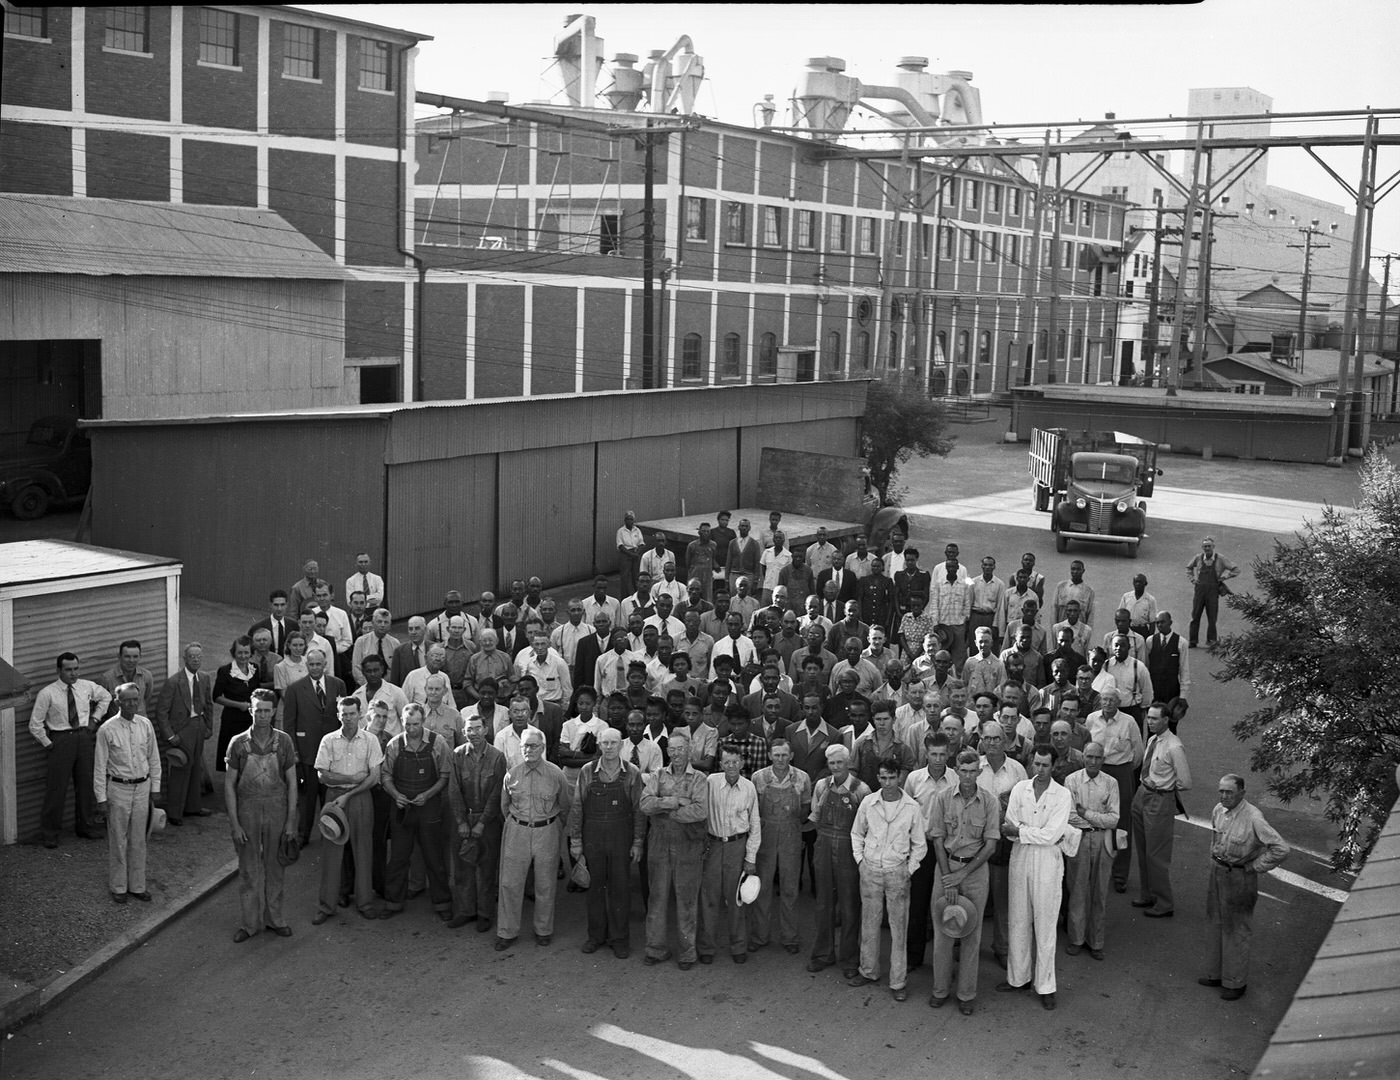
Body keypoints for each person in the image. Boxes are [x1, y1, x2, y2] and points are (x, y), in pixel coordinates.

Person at [1200, 775, 1290, 1001]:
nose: (1223, 796)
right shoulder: (1218, 810)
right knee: (1215, 922)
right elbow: (1215, 837)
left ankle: (1235, 983)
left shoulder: (1254, 818)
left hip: (1240, 876)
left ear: (1242, 793)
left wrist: (1255, 867)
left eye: (1229, 792)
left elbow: (1281, 848)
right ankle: (1215, 974)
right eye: (1221, 791)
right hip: (1218, 871)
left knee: (1237, 929)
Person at [997, 746, 1074, 1010]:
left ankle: (1046, 985)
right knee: (1018, 918)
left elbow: (1052, 835)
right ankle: (1017, 978)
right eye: (1036, 764)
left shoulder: (1063, 795)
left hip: (1048, 863)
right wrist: (1026, 832)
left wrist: (1022, 831)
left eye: (1045, 765)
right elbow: (1007, 827)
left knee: (1045, 923)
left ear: (1054, 766)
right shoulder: (1020, 789)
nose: (1039, 770)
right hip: (1020, 858)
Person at [927, 747, 1000, 1014]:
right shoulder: (943, 797)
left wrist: (962, 875)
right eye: (963, 771)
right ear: (955, 770)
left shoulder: (990, 801)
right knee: (944, 931)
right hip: (946, 867)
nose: (967, 777)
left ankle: (966, 995)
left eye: (972, 771)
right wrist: (949, 877)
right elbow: (937, 839)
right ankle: (940, 990)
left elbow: (990, 845)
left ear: (979, 772)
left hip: (975, 873)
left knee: (971, 934)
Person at [847, 757, 926, 1002]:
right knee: (869, 923)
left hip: (897, 872)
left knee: (898, 928)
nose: (888, 782)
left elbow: (920, 845)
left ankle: (898, 981)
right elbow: (857, 833)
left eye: (892, 777)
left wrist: (908, 869)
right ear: (878, 778)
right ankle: (868, 971)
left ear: (899, 778)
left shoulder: (911, 807)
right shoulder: (869, 803)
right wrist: (860, 861)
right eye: (883, 777)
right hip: (870, 870)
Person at [224, 688, 297, 939]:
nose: (262, 715)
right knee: (248, 869)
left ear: (274, 711)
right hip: (248, 812)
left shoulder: (284, 741)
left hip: (276, 811)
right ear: (251, 710)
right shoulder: (238, 743)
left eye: (267, 710)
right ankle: (249, 924)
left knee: (275, 868)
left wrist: (290, 821)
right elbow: (229, 787)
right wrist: (235, 824)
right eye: (258, 710)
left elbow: (292, 784)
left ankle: (275, 919)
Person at [568, 727, 646, 958]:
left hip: (621, 838)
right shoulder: (587, 771)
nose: (609, 747)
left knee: (620, 889)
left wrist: (638, 842)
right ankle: (596, 936)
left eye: (614, 743)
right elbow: (577, 807)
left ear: (621, 745)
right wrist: (575, 840)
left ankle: (619, 939)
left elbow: (638, 810)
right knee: (594, 888)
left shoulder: (632, 773)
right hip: (592, 838)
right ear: (599, 745)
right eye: (605, 743)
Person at [639, 726, 711, 968]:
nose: (677, 753)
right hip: (659, 840)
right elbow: (645, 804)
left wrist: (670, 812)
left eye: (681, 749)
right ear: (667, 750)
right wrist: (674, 801)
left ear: (689, 750)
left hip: (688, 842)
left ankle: (687, 952)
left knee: (687, 899)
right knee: (657, 897)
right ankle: (655, 949)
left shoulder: (699, 778)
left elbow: (701, 811)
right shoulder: (657, 775)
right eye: (673, 749)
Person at [495, 728, 572, 950]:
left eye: (534, 746)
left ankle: (543, 929)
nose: (529, 750)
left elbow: (565, 806)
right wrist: (516, 825)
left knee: (545, 883)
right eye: (525, 746)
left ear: (543, 748)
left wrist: (554, 828)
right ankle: (507, 931)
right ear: (520, 749)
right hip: (517, 830)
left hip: (546, 830)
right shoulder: (512, 774)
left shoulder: (556, 774)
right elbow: (504, 806)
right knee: (510, 883)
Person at [30, 651, 113, 848]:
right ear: (59, 670)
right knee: (56, 788)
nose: (73, 673)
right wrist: (48, 744)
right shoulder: (47, 693)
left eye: (76, 669)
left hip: (84, 738)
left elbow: (106, 697)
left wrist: (94, 719)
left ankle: (85, 826)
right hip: (61, 740)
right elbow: (35, 724)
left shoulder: (86, 687)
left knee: (86, 784)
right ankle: (50, 832)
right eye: (68, 670)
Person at [379, 703, 454, 921]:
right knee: (399, 857)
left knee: (434, 856)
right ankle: (393, 902)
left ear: (423, 721)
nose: (412, 728)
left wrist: (428, 794)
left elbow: (445, 775)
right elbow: (385, 776)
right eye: (407, 724)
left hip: (428, 807)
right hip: (402, 808)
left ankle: (443, 903)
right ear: (402, 722)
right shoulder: (394, 745)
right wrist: (395, 795)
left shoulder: (437, 742)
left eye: (416, 724)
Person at [312, 697, 383, 923]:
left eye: (352, 713)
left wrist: (350, 793)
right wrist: (349, 778)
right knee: (332, 852)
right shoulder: (328, 740)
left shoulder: (370, 740)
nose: (348, 717)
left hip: (361, 797)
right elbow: (322, 774)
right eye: (344, 714)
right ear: (338, 715)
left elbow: (374, 776)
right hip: (333, 799)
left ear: (360, 714)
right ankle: (326, 906)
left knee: (363, 850)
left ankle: (365, 903)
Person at [94, 682, 161, 903]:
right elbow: (100, 767)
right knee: (118, 838)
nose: (133, 704)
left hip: (142, 788)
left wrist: (155, 788)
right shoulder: (107, 729)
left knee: (138, 839)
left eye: (136, 699)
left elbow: (154, 758)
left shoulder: (146, 724)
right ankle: (119, 887)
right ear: (117, 702)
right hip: (118, 789)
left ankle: (138, 885)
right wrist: (101, 798)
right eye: (128, 700)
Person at [807, 744, 870, 977]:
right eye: (832, 763)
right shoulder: (822, 786)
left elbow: (866, 826)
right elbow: (815, 816)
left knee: (849, 905)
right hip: (823, 844)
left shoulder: (861, 789)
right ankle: (823, 953)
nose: (835, 767)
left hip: (848, 848)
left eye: (840, 763)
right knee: (824, 903)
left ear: (848, 763)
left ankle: (850, 959)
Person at [748, 738, 813, 955]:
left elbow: (806, 807)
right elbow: (753, 811)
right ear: (769, 755)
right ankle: (760, 935)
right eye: (776, 755)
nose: (780, 759)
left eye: (784, 755)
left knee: (790, 887)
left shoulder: (802, 778)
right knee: (762, 886)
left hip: (791, 834)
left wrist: (795, 818)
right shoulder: (758, 778)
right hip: (765, 833)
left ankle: (789, 936)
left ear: (791, 755)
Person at [699, 746, 762, 964]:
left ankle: (738, 946)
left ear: (742, 763)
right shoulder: (710, 783)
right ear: (721, 764)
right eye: (727, 762)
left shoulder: (749, 788)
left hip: (738, 845)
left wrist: (750, 857)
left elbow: (755, 824)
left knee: (736, 898)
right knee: (709, 898)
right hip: (714, 845)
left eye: (735, 762)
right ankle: (706, 947)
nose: (731, 766)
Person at [446, 715, 507, 932]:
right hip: (462, 819)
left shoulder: (498, 757)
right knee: (462, 866)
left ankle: (484, 913)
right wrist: (461, 821)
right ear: (464, 732)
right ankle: (465, 911)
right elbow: (453, 789)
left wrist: (482, 822)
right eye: (469, 729)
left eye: (477, 728)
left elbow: (496, 794)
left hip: (488, 822)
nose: (474, 733)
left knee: (487, 868)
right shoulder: (457, 755)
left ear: (486, 729)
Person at [1130, 702, 1192, 918]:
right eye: (1149, 718)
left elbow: (1185, 781)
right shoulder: (1153, 740)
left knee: (1156, 854)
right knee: (1143, 848)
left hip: (1159, 800)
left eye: (1155, 719)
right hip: (1142, 794)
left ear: (1166, 720)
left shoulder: (1174, 746)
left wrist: (1165, 786)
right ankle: (1147, 893)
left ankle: (1164, 902)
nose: (1150, 722)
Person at [903, 732, 955, 972]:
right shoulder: (914, 779)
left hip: (946, 848)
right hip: (922, 847)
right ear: (926, 752)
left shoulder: (955, 777)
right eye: (933, 754)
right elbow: (906, 813)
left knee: (947, 902)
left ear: (949, 753)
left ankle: (944, 961)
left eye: (942, 754)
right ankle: (914, 956)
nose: (937, 759)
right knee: (918, 903)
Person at [281, 649, 345, 845]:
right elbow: (289, 725)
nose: (315, 667)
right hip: (307, 753)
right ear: (306, 665)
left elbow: (345, 718)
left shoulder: (338, 685)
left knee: (332, 797)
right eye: (312, 664)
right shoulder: (294, 689)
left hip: (333, 755)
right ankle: (303, 836)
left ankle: (332, 832)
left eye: (319, 664)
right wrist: (295, 753)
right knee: (307, 799)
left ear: (325, 664)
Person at [1064, 741, 1118, 960]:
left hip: (1104, 840)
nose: (1093, 761)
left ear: (1103, 760)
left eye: (1097, 757)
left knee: (1100, 891)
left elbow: (1114, 819)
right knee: (1077, 890)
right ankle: (1076, 939)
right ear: (1083, 757)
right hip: (1080, 838)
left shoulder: (1111, 783)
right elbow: (1069, 815)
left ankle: (1096, 941)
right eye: (1089, 757)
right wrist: (1096, 819)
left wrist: (1085, 813)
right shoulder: (1072, 780)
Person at [1087, 686, 1144, 892]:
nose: (1107, 703)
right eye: (1104, 699)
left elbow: (1138, 753)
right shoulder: (1092, 719)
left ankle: (1120, 874)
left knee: (1121, 824)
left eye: (1112, 700)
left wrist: (1126, 771)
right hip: (1097, 772)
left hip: (1121, 772)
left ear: (1118, 703)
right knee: (1095, 819)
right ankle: (1096, 870)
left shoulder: (1128, 722)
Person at [155, 643, 214, 828]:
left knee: (197, 768)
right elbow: (161, 711)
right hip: (182, 729)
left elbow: (209, 705)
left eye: (199, 656)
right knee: (181, 770)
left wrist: (209, 726)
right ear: (184, 659)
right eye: (192, 657)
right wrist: (170, 736)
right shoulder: (174, 682)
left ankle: (193, 806)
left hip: (198, 726)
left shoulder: (204, 678)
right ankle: (175, 812)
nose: (196, 659)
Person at [212, 636, 258, 773]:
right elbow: (216, 697)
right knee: (234, 757)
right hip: (232, 720)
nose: (243, 656)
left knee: (250, 756)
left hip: (250, 720)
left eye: (246, 653)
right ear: (234, 653)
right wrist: (239, 705)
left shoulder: (255, 669)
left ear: (251, 653)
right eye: (240, 653)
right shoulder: (225, 671)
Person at [1186, 536, 1239, 648]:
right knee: (1195, 616)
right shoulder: (1198, 558)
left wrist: (1225, 577)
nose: (1207, 548)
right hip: (1199, 591)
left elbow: (1236, 569)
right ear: (1202, 548)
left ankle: (1211, 641)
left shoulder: (1220, 559)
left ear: (1213, 547)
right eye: (1205, 546)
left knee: (1212, 617)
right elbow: (1188, 568)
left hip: (1213, 592)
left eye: (1209, 546)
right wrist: (1193, 579)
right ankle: (1193, 641)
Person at [96, 640, 155, 720]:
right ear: (119, 657)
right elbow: (100, 705)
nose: (131, 660)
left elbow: (146, 700)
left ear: (140, 657)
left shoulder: (147, 676)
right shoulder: (107, 678)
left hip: (140, 723)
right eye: (127, 656)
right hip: (116, 726)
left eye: (135, 656)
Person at [1145, 611, 1191, 704]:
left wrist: (1183, 695)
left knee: (1170, 716)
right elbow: (1146, 666)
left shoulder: (1181, 642)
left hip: (1171, 688)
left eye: (1162, 622)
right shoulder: (1150, 641)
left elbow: (1184, 669)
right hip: (1154, 687)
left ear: (1170, 623)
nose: (1159, 625)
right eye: (1157, 622)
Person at [1053, 560, 1095, 627]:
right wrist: (1054, 629)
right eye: (1073, 569)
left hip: (1079, 632)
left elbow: (1090, 614)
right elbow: (1054, 609)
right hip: (1061, 628)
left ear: (1083, 571)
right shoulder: (1061, 586)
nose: (1075, 572)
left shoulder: (1089, 591)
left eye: (1078, 569)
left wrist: (1087, 632)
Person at [1120, 574, 1158, 639]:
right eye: (1136, 582)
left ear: (1145, 583)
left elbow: (1152, 623)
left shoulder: (1150, 600)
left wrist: (1149, 639)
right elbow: (1121, 615)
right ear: (1133, 583)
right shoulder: (1126, 597)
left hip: (1142, 631)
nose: (1137, 584)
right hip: (1128, 629)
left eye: (1140, 582)